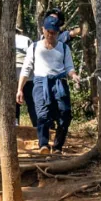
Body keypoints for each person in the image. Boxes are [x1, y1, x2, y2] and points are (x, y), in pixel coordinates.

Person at [17, 10, 73, 155]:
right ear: (43, 29)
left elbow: (69, 67)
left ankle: (58, 147)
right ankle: (43, 145)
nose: (51, 35)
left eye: (54, 32)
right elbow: (26, 69)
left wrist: (74, 75)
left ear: (57, 32)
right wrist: (20, 89)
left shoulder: (64, 48)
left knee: (65, 114)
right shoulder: (34, 47)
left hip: (59, 83)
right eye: (48, 32)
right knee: (42, 115)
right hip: (40, 83)